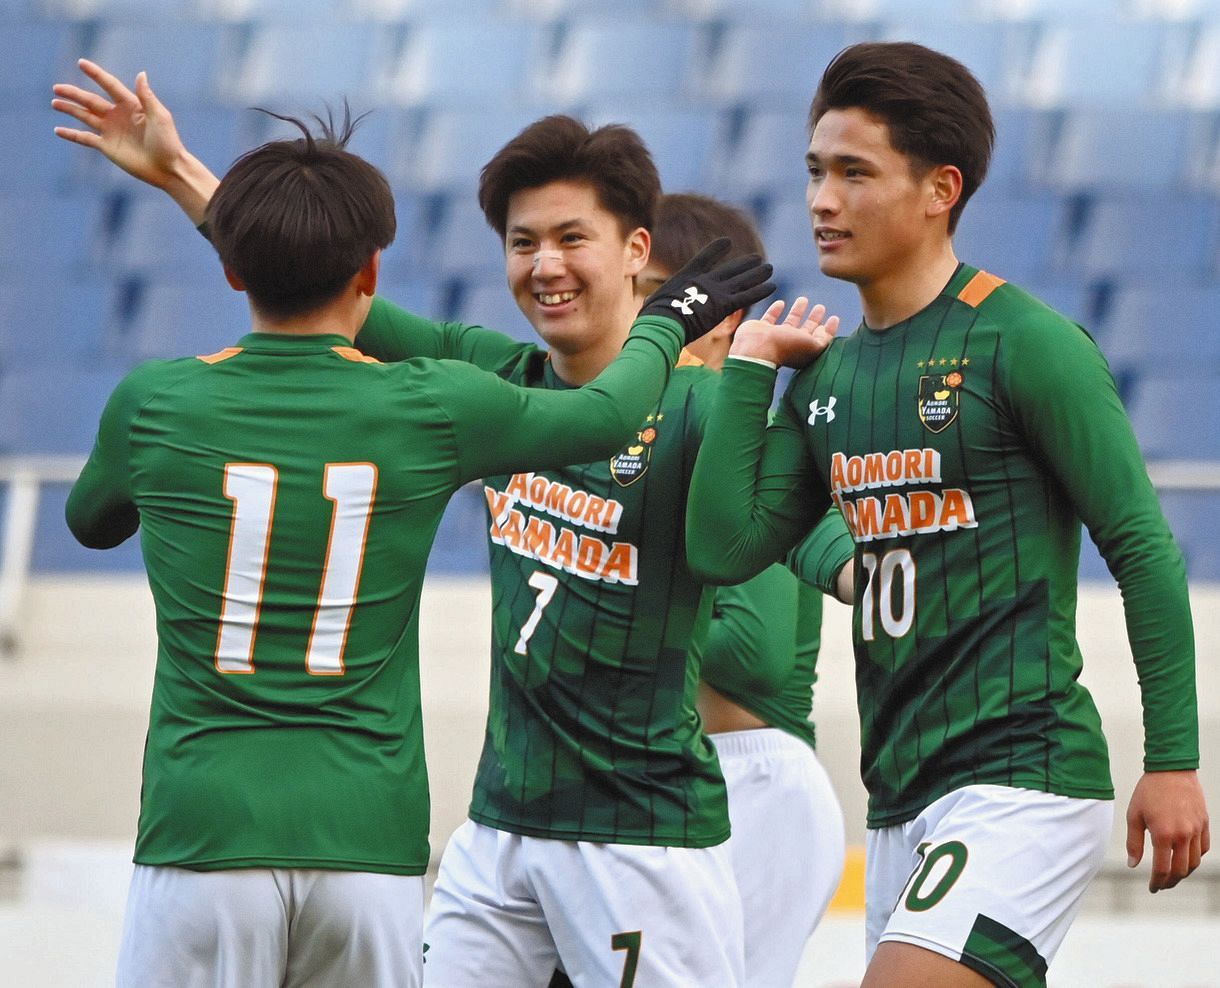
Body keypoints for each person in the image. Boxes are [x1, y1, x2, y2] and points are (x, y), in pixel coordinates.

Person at [52, 61, 776, 986]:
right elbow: (320, 275)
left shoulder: (161, 400)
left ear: (637, 247)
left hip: (620, 823)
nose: (544, 264)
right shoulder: (452, 394)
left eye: (569, 238)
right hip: (425, 831)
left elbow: (298, 283)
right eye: (522, 242)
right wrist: (668, 323)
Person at [686, 41, 1211, 987]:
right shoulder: (827, 377)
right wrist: (752, 369)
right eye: (814, 171)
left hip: (1023, 776)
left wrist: (1173, 758)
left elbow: (1139, 545)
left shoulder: (1024, 343)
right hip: (897, 793)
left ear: (940, 190)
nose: (822, 200)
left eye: (855, 173)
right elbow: (724, 545)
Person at [641, 192, 853, 986]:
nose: (648, 315)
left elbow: (757, 654)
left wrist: (611, 626)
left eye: (666, 292)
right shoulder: (631, 434)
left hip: (750, 778)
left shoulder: (744, 448)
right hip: (660, 772)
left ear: (726, 318)